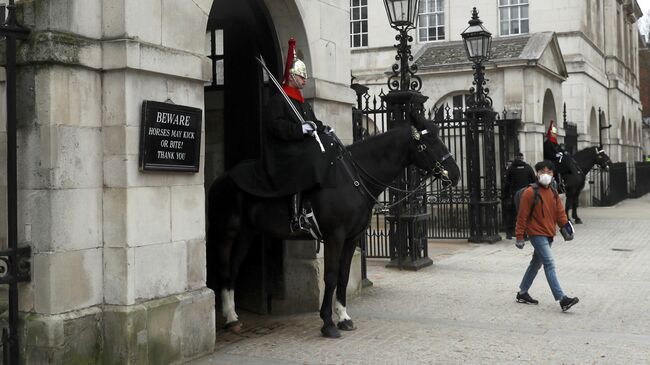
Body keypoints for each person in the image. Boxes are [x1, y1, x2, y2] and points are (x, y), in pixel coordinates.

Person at [262, 38, 337, 233]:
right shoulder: (279, 100)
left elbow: (313, 122)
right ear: (292, 76)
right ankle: (297, 215)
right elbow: (274, 125)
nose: (304, 80)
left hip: (300, 145)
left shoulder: (302, 103)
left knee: (327, 148)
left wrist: (323, 129)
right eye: (301, 76)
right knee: (308, 159)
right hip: (285, 150)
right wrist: (299, 130)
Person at [514, 160, 579, 312]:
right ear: (537, 173)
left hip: (549, 233)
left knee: (536, 264)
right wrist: (519, 236)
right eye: (542, 171)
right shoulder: (530, 192)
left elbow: (560, 214)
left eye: (549, 172)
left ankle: (522, 293)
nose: (546, 175)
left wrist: (566, 228)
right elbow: (522, 216)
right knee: (549, 262)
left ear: (553, 174)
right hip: (536, 233)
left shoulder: (553, 192)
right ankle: (562, 299)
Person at [501, 152, 536, 239]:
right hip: (526, 194)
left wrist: (505, 195)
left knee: (513, 214)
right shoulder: (528, 168)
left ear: (515, 158)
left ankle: (509, 233)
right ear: (522, 158)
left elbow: (507, 183)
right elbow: (534, 181)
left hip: (514, 194)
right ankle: (524, 234)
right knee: (525, 214)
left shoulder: (511, 169)